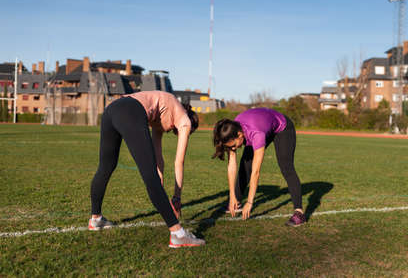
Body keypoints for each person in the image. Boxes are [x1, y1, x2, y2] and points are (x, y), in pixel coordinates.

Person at [89, 90, 205, 248]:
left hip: (112, 109)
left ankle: (95, 219)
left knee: (106, 166)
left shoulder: (162, 117)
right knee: (149, 176)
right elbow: (179, 162)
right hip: (131, 110)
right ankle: (178, 234)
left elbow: (158, 161)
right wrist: (176, 199)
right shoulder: (185, 120)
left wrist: (160, 189)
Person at [212, 107, 306, 226]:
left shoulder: (257, 135)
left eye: (234, 146)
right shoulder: (232, 129)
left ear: (240, 134)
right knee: (245, 165)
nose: (234, 149)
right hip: (263, 125)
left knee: (286, 167)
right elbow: (231, 166)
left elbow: (256, 172)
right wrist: (232, 196)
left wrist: (250, 202)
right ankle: (237, 202)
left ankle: (299, 213)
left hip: (282, 128)